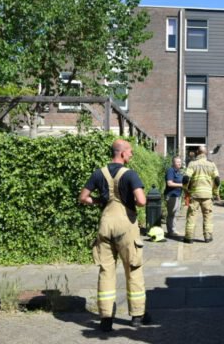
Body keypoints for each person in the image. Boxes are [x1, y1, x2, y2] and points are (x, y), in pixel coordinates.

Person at [78, 139, 151, 332]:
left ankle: (106, 319)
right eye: (130, 151)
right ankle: (137, 316)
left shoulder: (98, 173)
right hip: (126, 225)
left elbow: (83, 197)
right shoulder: (130, 174)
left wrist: (99, 201)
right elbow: (142, 201)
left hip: (106, 224)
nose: (132, 154)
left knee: (106, 271)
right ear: (122, 153)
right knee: (133, 269)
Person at [182, 145, 220, 244]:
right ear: (205, 152)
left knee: (192, 216)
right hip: (207, 196)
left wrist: (186, 190)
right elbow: (217, 180)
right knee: (208, 216)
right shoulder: (211, 164)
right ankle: (208, 237)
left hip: (195, 195)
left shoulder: (192, 164)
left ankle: (189, 237)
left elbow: (186, 178)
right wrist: (216, 193)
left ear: (197, 152)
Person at [164, 156, 183, 237]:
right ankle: (170, 231)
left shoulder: (178, 172)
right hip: (171, 195)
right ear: (173, 163)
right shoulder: (171, 171)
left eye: (180, 162)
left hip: (177, 195)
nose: (179, 163)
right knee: (171, 214)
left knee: (175, 213)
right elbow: (169, 183)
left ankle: (173, 230)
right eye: (177, 162)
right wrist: (182, 185)